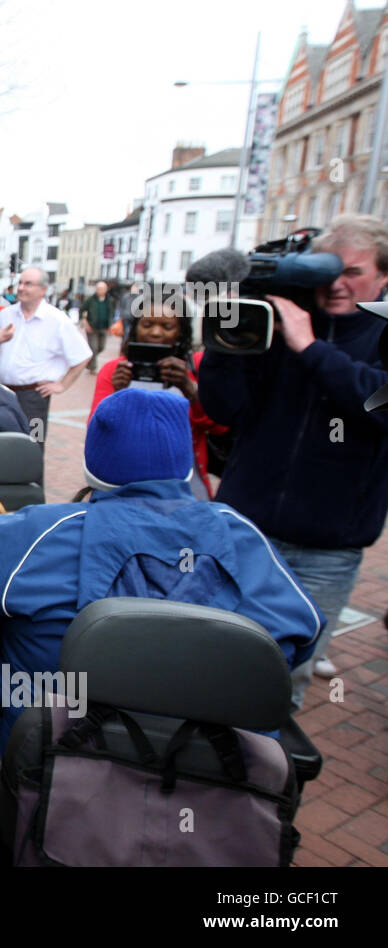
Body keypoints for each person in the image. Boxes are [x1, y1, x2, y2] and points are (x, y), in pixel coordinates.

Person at [0, 387, 322, 754]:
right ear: (185, 464)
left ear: (92, 462)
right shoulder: (242, 535)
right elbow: (302, 638)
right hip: (213, 773)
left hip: (50, 764)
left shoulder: (35, 533)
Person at [197, 214, 388, 705]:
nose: (339, 284)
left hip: (327, 549)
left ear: (383, 277)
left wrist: (310, 347)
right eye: (328, 272)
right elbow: (224, 407)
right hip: (246, 527)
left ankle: (265, 771)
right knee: (212, 655)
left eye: (355, 272)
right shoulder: (276, 321)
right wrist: (227, 333)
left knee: (283, 682)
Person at [89, 297, 226, 498]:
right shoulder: (114, 370)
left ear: (180, 331)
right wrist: (118, 394)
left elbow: (219, 426)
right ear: (135, 328)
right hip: (123, 477)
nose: (155, 332)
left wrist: (190, 390)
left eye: (167, 326)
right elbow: (95, 429)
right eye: (147, 324)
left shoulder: (195, 368)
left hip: (183, 480)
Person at [0, 267, 92, 446]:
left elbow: (83, 356)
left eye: (28, 284)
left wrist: (62, 385)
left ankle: (33, 476)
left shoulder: (57, 320)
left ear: (43, 290)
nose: (21, 288)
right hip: (3, 393)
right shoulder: (6, 315)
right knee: (1, 444)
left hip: (34, 398)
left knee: (34, 446)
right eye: (20, 282)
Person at [80, 280, 116, 372]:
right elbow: (82, 310)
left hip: (104, 327)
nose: (100, 290)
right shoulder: (90, 300)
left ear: (106, 289)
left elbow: (112, 313)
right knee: (93, 347)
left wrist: (111, 324)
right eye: (98, 288)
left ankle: (89, 362)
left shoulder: (110, 300)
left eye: (102, 289)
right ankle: (93, 367)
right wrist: (85, 322)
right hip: (92, 327)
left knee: (101, 347)